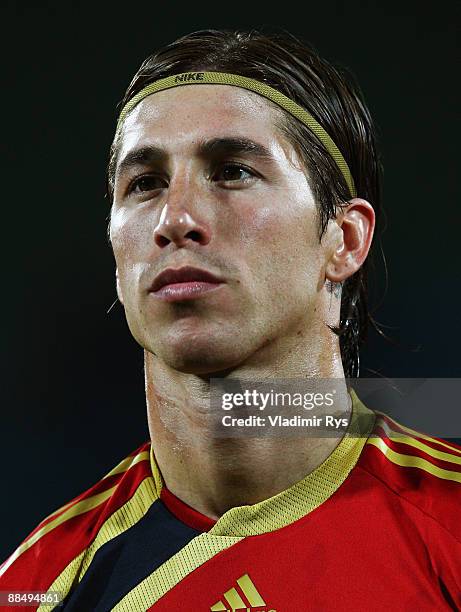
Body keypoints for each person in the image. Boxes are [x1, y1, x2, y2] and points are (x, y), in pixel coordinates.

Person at [1, 29, 460, 612]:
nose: (175, 218)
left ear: (344, 240)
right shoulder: (36, 589)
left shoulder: (447, 525)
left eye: (232, 171)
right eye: (144, 184)